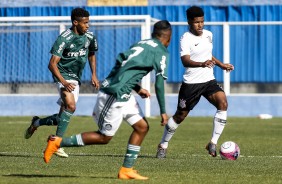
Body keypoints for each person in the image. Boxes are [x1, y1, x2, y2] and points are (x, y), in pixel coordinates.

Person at [43, 20, 172, 180]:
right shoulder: (161, 52)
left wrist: (138, 89)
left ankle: (126, 170)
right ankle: (57, 143)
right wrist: (164, 112)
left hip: (124, 94)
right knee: (104, 137)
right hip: (115, 94)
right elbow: (159, 83)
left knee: (142, 127)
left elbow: (122, 65)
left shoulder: (141, 44)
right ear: (168, 37)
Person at [156, 6, 234, 159]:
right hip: (191, 83)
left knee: (223, 103)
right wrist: (201, 64)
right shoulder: (186, 38)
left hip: (209, 80)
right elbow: (185, 60)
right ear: (189, 22)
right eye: (196, 22)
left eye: (202, 22)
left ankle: (212, 142)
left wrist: (221, 64)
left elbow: (208, 54)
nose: (200, 25)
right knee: (180, 116)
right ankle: (163, 145)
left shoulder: (208, 35)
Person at [24, 8, 99, 158]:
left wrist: (94, 75)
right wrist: (63, 82)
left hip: (75, 78)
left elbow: (91, 55)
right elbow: (52, 64)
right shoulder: (64, 38)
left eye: (88, 22)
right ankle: (56, 144)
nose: (88, 26)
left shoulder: (90, 37)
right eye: (85, 23)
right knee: (71, 106)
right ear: (75, 22)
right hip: (63, 76)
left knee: (61, 118)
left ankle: (36, 123)